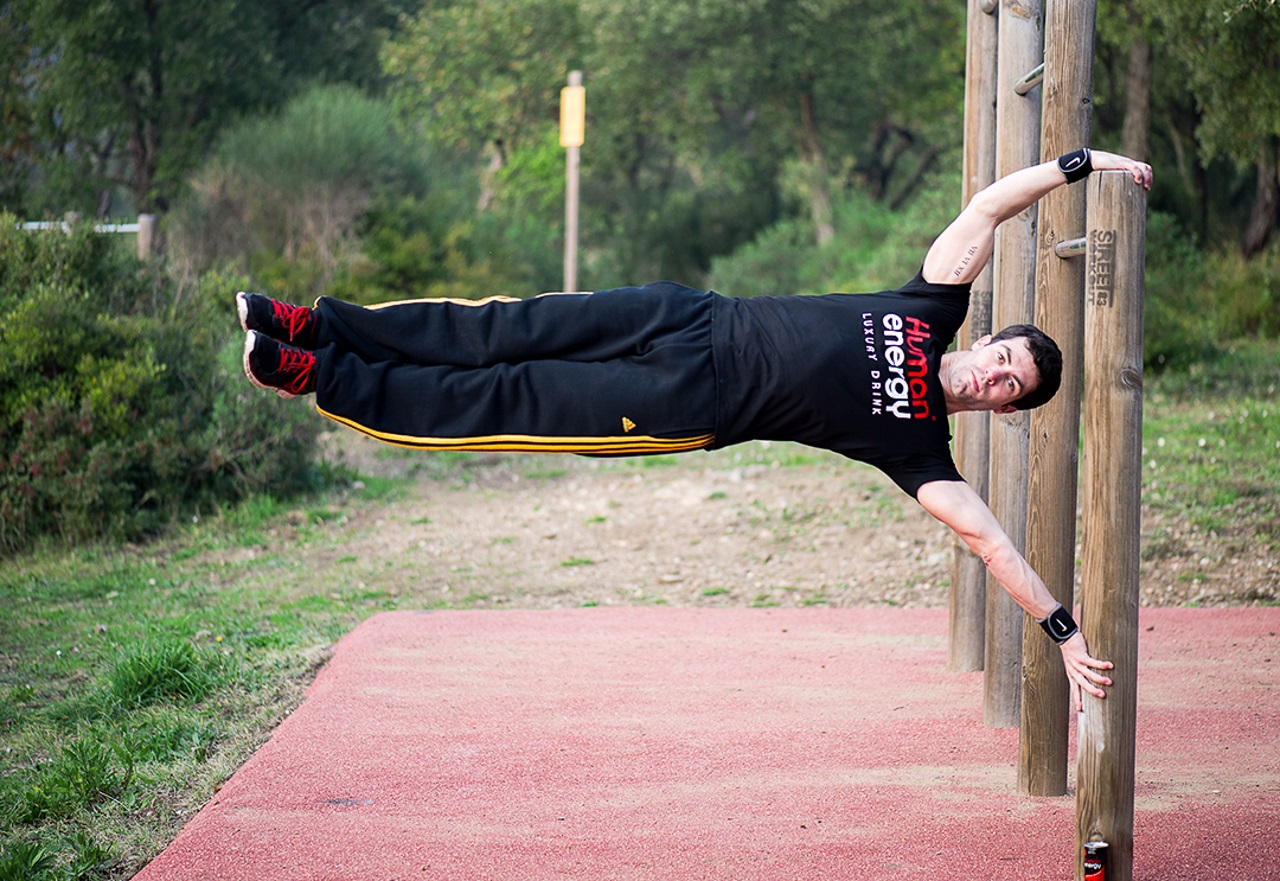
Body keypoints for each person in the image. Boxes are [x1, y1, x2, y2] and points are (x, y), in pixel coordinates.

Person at [239, 148, 1152, 710]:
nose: (994, 379)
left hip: (683, 408)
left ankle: (322, 378)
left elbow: (989, 542)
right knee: (498, 326)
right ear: (989, 337)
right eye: (1006, 362)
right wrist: (1087, 165)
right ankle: (316, 324)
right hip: (683, 317)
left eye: (1009, 391)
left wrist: (1064, 631)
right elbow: (989, 207)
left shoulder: (915, 449)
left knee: (510, 399)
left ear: (1000, 411)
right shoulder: (929, 303)